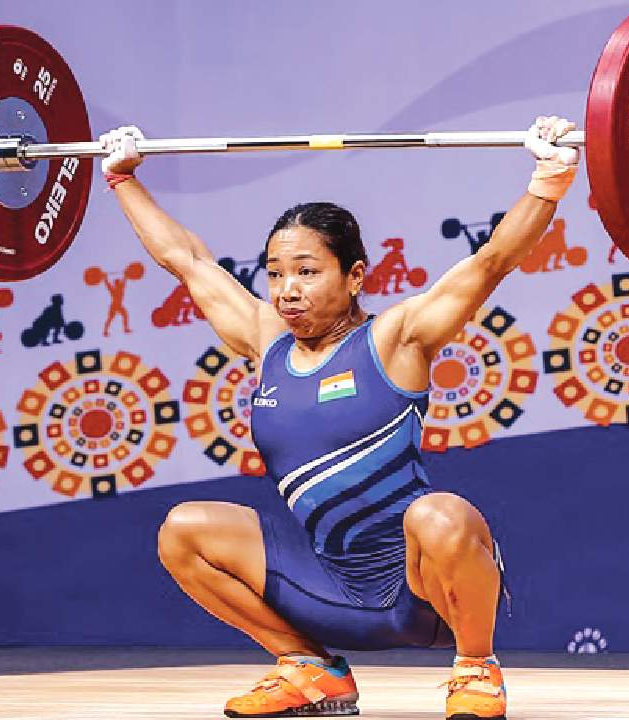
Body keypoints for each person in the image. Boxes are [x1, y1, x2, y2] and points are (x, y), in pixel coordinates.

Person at [100, 116, 579, 720]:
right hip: (323, 585)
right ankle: (310, 669)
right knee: (183, 529)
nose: (287, 289)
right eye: (276, 273)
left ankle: (476, 667)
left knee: (441, 514)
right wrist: (122, 180)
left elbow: (492, 261)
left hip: (421, 595)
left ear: (354, 276)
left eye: (307, 271)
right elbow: (187, 260)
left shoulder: (397, 339)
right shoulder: (266, 341)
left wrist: (549, 179)